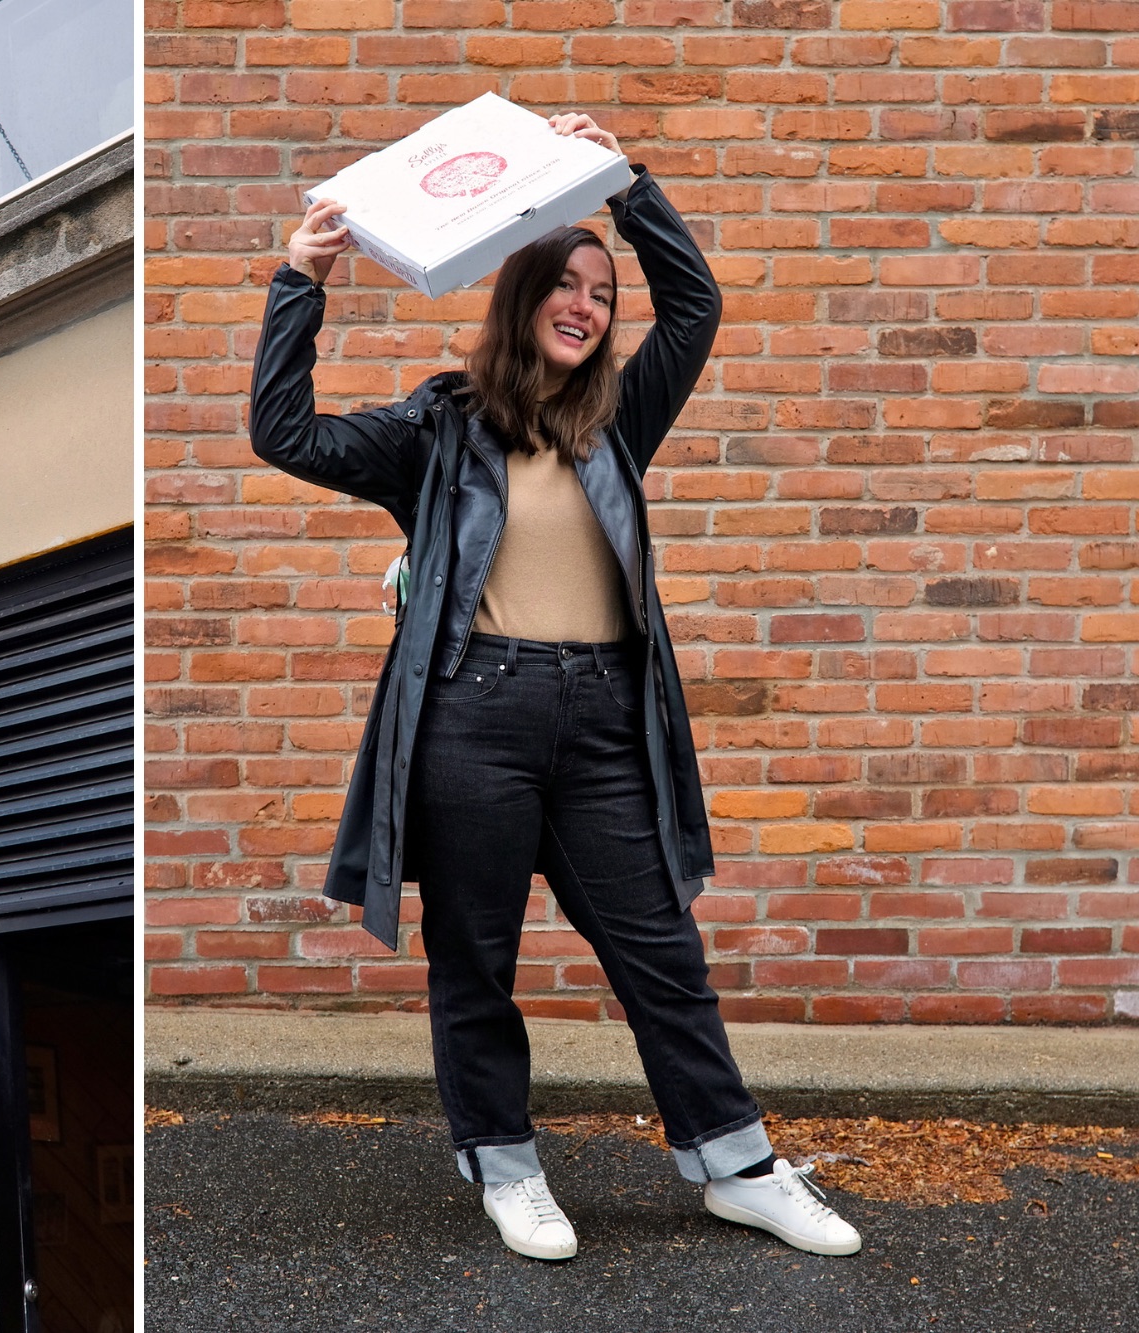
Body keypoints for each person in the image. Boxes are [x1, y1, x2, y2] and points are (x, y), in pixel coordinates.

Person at [249, 111, 860, 1262]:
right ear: (518, 297)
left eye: (599, 291)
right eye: (563, 286)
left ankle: (737, 1164)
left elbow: (697, 306)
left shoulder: (617, 420)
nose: (586, 305)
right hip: (472, 718)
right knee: (474, 956)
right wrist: (300, 281)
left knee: (659, 950)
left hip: (600, 723)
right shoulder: (435, 429)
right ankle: (505, 1165)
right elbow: (283, 433)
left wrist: (623, 184)